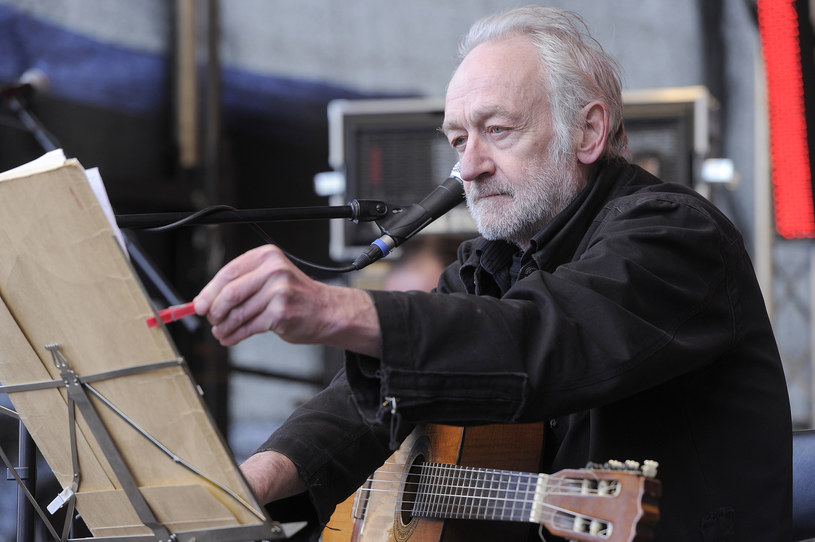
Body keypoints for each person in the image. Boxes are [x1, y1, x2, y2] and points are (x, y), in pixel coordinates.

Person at [193, 5, 792, 541]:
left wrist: (335, 310)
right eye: (458, 139)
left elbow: (547, 337)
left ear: (587, 131)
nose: (467, 169)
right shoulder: (493, 262)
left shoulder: (676, 234)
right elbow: (370, 396)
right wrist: (249, 483)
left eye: (497, 131)